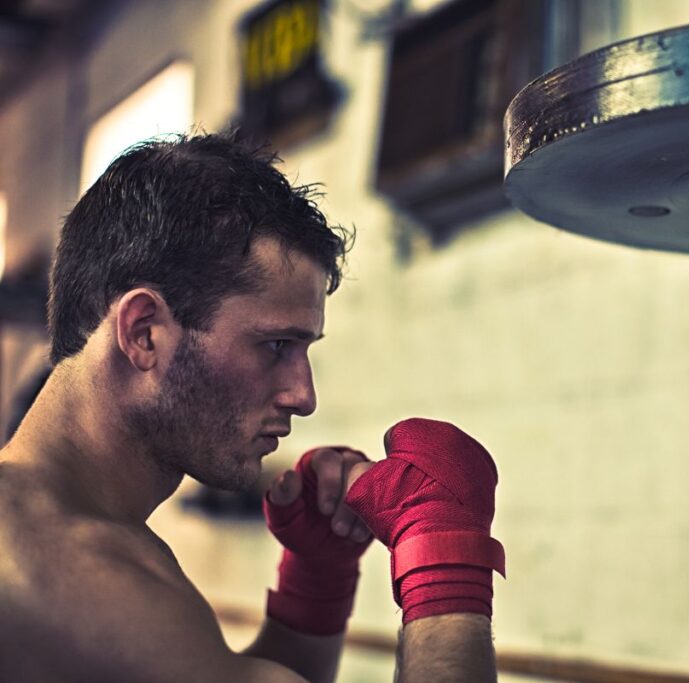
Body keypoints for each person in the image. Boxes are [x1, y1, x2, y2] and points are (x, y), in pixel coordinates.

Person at [0, 133, 504, 682]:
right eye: (275, 346)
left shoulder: (83, 535)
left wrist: (316, 583)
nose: (303, 397)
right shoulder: (76, 575)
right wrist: (445, 553)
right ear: (143, 331)